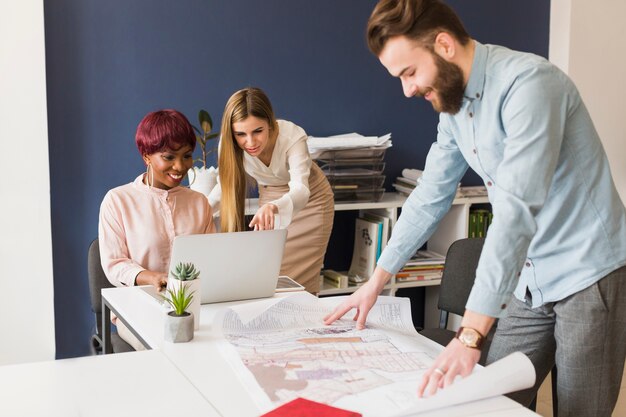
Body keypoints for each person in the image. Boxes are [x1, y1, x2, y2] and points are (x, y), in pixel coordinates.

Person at [324, 1, 626, 415]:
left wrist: (469, 335)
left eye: (409, 73)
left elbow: (517, 213)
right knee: (491, 401)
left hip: (587, 274)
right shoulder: (454, 107)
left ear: (444, 45)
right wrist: (376, 281)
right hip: (528, 277)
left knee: (579, 410)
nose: (407, 90)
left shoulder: (530, 85)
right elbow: (431, 193)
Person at [99, 109, 215, 350]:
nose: (180, 166)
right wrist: (150, 277)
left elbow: (210, 259)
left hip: (194, 307)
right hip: (138, 307)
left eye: (186, 156)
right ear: (146, 156)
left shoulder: (198, 202)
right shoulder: (118, 200)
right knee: (168, 347)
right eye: (169, 157)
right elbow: (115, 263)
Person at [208, 87, 334, 294]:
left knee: (300, 282)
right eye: (241, 134)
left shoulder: (291, 136)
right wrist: (199, 211)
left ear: (270, 123)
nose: (250, 142)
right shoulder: (229, 145)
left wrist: (274, 206)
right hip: (270, 198)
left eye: (258, 131)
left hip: (311, 201)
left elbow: (301, 189)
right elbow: (223, 187)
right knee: (269, 274)